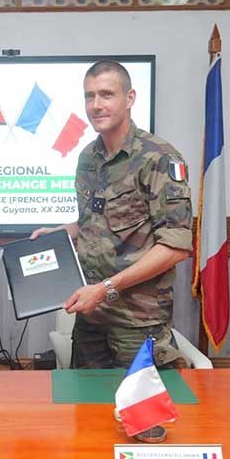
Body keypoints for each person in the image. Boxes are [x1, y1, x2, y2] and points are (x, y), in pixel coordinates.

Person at [32, 60, 193, 370]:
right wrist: (61, 232)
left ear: (129, 98)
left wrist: (106, 288)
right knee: (88, 414)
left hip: (137, 323)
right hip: (91, 319)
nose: (96, 105)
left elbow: (175, 247)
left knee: (140, 416)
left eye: (106, 94)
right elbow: (95, 221)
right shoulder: (87, 158)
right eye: (89, 96)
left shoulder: (159, 158)